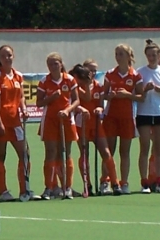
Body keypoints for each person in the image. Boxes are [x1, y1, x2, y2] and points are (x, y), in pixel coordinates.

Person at [36, 52, 79, 199]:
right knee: (51, 152)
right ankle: (49, 187)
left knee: (65, 152)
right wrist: (51, 98)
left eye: (55, 63)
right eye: (50, 64)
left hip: (66, 119)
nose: (53, 66)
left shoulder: (70, 80)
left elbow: (76, 101)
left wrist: (67, 110)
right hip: (49, 120)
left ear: (61, 64)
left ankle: (67, 187)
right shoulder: (44, 81)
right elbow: (39, 103)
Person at [102, 44, 144, 195]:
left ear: (128, 56)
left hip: (127, 118)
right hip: (111, 117)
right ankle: (105, 181)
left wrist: (127, 95)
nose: (118, 57)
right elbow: (103, 94)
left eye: (121, 54)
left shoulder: (135, 75)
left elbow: (141, 97)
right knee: (109, 151)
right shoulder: (110, 74)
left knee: (124, 152)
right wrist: (110, 96)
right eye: (116, 54)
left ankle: (124, 182)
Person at [0, 45, 32, 202]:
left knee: (25, 154)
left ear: (13, 56)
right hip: (0, 122)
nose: (7, 58)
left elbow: (21, 96)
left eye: (9, 55)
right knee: (0, 155)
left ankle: (24, 189)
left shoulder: (18, 76)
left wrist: (24, 109)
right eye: (3, 56)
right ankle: (3, 192)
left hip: (15, 122)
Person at [135, 40, 160, 194]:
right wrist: (145, 90)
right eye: (149, 55)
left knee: (159, 149)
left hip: (159, 113)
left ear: (159, 56)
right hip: (144, 113)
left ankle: (159, 181)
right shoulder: (140, 72)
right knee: (144, 148)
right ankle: (144, 182)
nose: (151, 58)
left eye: (154, 55)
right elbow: (138, 94)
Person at [71, 63, 114, 196]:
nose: (92, 73)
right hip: (82, 123)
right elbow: (86, 98)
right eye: (90, 70)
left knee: (106, 152)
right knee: (84, 153)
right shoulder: (76, 85)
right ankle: (87, 184)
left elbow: (100, 105)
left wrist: (99, 109)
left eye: (95, 71)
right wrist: (87, 85)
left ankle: (114, 183)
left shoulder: (98, 86)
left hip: (95, 123)